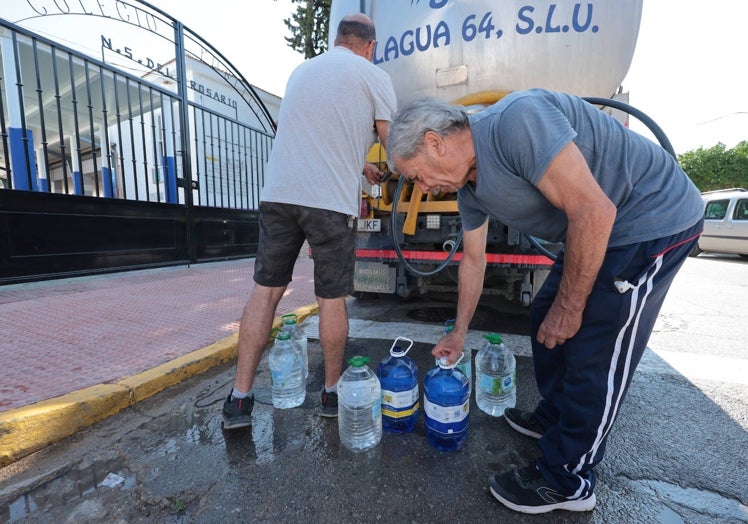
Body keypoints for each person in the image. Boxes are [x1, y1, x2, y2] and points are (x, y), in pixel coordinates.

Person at [387, 89, 704, 514]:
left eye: (418, 176)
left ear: (434, 143)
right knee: (544, 314)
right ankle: (556, 417)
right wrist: (459, 332)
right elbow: (474, 261)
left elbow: (594, 210)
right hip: (599, 227)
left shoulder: (516, 122)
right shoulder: (470, 190)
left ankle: (568, 479)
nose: (422, 189)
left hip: (648, 219)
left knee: (596, 344)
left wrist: (571, 310)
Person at [222, 13, 397, 427]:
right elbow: (393, 142)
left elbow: (312, 137)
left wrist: (359, 170)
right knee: (331, 299)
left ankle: (239, 399)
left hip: (278, 195)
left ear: (338, 39)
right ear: (370, 48)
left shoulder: (302, 71)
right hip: (330, 205)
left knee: (264, 293)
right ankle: (332, 394)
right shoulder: (374, 76)